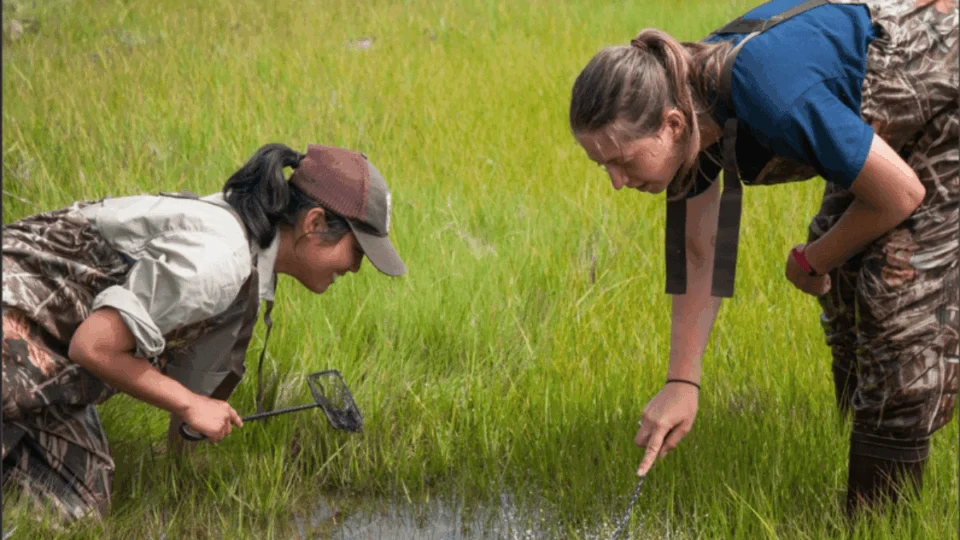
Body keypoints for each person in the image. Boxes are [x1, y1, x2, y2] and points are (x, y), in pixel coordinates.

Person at [568, 0, 957, 516]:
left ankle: (879, 522)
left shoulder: (769, 93)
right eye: (602, 166)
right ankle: (851, 451)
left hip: (945, 95)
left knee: (895, 302)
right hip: (883, 118)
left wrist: (812, 260)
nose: (617, 182)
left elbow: (900, 195)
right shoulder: (685, 99)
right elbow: (701, 252)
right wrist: (681, 384)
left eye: (621, 160)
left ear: (671, 124)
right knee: (846, 285)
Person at [1, 143, 407, 521]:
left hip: (51, 347)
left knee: (77, 508)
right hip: (14, 318)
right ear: (315, 222)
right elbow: (94, 348)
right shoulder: (217, 260)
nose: (356, 268)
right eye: (358, 251)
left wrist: (193, 463)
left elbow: (199, 378)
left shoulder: (247, 267)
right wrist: (191, 405)